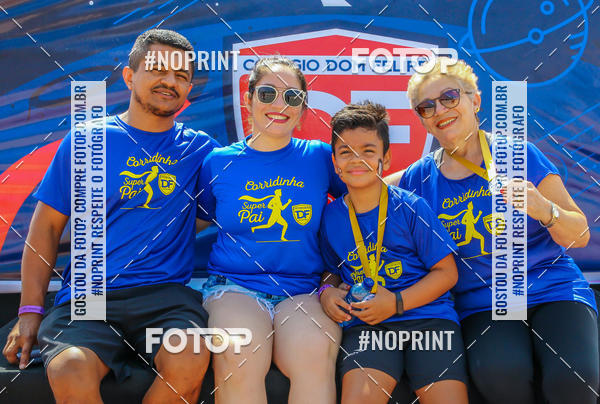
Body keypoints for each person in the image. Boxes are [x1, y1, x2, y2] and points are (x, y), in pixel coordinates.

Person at [2, 29, 220, 404]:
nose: (170, 82)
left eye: (181, 76)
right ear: (130, 76)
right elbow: (46, 229)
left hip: (165, 298)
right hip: (89, 297)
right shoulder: (85, 141)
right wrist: (30, 311)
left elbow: (212, 215)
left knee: (189, 355)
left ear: (188, 88)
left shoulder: (202, 150)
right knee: (69, 367)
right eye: (158, 70)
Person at [388, 57, 599, 403]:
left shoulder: (519, 155)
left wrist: (544, 210)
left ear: (475, 100)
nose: (440, 110)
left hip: (553, 288)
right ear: (422, 120)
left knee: (573, 376)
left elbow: (580, 235)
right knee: (500, 373)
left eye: (449, 97)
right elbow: (368, 190)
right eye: (426, 106)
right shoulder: (418, 179)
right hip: (484, 302)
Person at [197, 56, 345, 404]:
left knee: (315, 352)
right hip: (235, 286)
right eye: (267, 94)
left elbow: (367, 197)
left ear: (303, 108)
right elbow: (192, 223)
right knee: (240, 351)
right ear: (248, 100)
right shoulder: (219, 162)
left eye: (292, 96)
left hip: (304, 290)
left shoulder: (320, 157)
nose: (280, 104)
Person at [318, 102, 468, 404]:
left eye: (368, 151)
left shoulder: (412, 207)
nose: (356, 159)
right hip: (368, 324)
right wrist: (325, 292)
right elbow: (332, 270)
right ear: (335, 162)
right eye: (346, 152)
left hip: (429, 319)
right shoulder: (330, 216)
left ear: (385, 158)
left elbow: (447, 273)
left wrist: (396, 302)